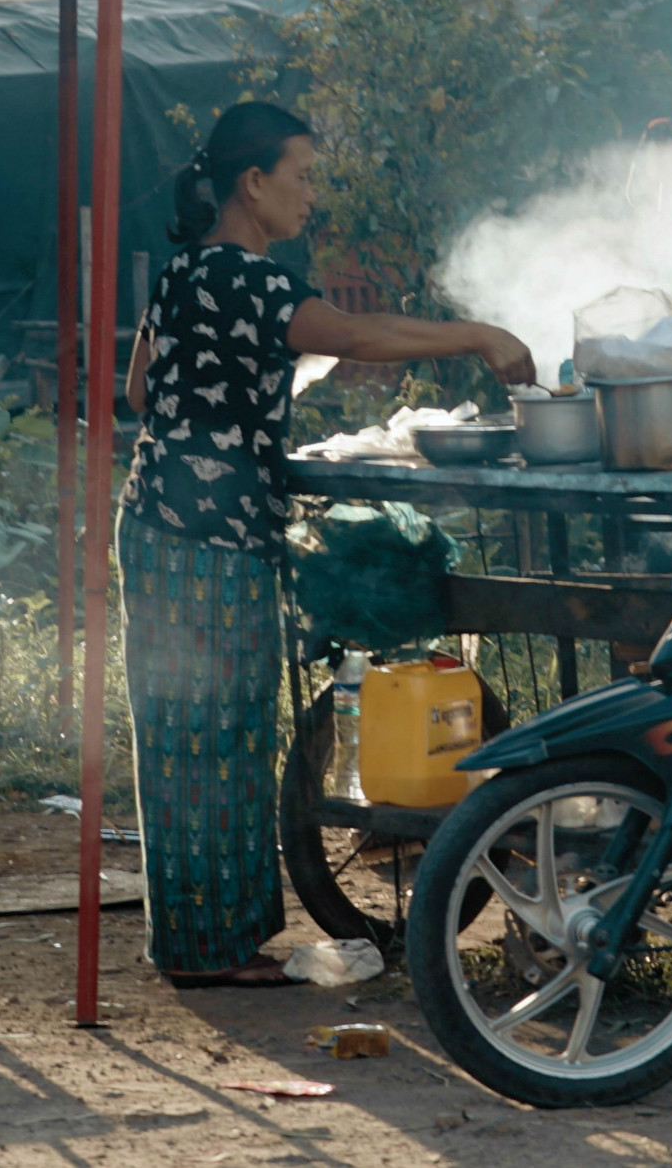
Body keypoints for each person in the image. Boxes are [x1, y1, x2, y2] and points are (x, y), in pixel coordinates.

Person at [114, 102, 535, 985]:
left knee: (190, 735)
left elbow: (140, 390)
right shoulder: (242, 277)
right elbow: (348, 335)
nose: (311, 194)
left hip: (164, 523)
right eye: (302, 176)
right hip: (204, 537)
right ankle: (211, 952)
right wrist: (479, 336)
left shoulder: (187, 272)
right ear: (253, 182)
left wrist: (224, 415)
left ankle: (206, 943)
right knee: (212, 734)